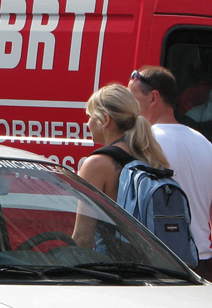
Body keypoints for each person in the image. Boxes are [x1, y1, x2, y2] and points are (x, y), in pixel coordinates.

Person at [128, 65, 212, 288]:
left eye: (133, 100)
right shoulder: (205, 144)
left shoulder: (144, 143)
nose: (130, 109)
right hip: (202, 263)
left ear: (153, 97)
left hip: (160, 263)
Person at [71, 83, 169, 249]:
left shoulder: (97, 164)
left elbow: (83, 237)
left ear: (105, 120)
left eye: (90, 116)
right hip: (154, 266)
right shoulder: (150, 155)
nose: (88, 123)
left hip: (114, 268)